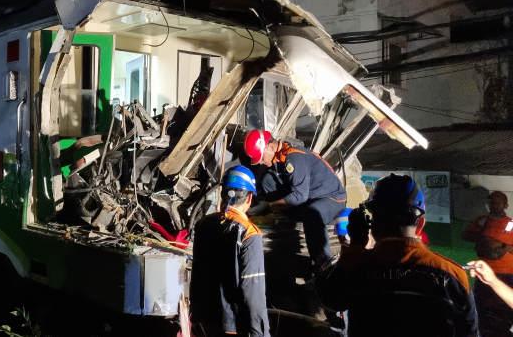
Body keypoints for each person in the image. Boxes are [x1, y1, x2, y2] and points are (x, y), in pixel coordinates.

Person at [316, 174, 479, 337]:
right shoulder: (454, 276)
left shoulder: (357, 268)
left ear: (372, 225)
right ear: (421, 223)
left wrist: (355, 246)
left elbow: (330, 299)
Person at [244, 129, 346, 271]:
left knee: (312, 214)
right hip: (311, 197)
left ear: (270, 147)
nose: (261, 162)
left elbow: (299, 196)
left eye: (261, 157)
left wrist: (269, 205)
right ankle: (284, 220)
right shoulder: (280, 157)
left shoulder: (294, 158)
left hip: (331, 198)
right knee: (268, 180)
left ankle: (324, 263)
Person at [190, 165, 271, 337]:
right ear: (249, 197)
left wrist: (195, 316)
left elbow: (196, 274)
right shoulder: (249, 234)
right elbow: (253, 293)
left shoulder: (203, 225)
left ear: (223, 194)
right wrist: (261, 333)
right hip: (232, 326)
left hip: (204, 321)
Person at [462, 190, 513, 335]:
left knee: (505, 311)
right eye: (491, 201)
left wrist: (502, 247)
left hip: (507, 274)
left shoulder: (511, 223)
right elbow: (466, 235)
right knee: (481, 309)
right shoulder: (482, 220)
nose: (494, 205)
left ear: (506, 204)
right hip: (483, 273)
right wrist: (483, 236)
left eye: (498, 202)